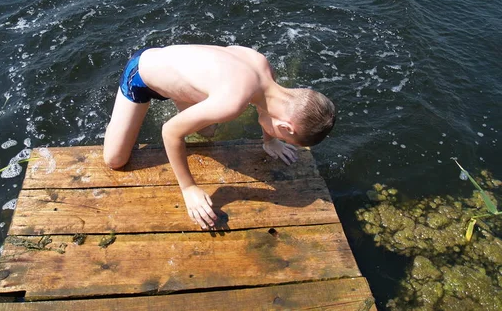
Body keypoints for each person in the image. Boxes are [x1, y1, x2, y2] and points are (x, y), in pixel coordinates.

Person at [103, 45, 336, 229]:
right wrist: (189, 188)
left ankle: (177, 95)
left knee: (207, 133)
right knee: (115, 160)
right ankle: (119, 119)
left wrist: (270, 140)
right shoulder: (232, 103)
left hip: (180, 70)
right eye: (285, 138)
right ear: (286, 127)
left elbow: (268, 112)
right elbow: (170, 130)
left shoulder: (264, 68)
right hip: (142, 75)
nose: (282, 139)